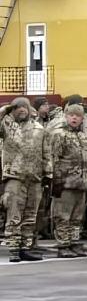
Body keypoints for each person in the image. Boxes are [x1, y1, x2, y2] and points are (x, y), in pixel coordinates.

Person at [0, 97, 51, 262]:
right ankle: (14, 248)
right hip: (15, 177)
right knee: (14, 214)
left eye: (24, 107)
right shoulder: (7, 126)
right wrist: (5, 109)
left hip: (35, 178)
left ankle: (25, 247)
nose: (21, 110)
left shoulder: (39, 129)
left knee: (30, 215)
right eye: (17, 107)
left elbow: (46, 152)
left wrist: (48, 173)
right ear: (12, 110)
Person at [49, 104, 87, 259]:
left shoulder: (83, 137)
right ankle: (63, 244)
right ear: (65, 116)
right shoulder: (59, 135)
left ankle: (75, 242)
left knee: (77, 217)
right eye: (72, 115)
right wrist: (56, 179)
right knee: (63, 216)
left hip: (81, 183)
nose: (74, 118)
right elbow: (53, 158)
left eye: (78, 116)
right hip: (65, 183)